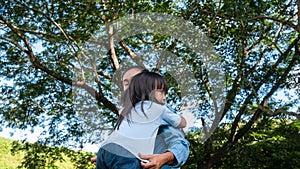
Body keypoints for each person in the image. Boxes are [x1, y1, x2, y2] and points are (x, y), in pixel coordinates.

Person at [91, 66, 190, 168]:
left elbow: (180, 144)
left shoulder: (157, 109)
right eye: (126, 83)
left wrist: (166, 157)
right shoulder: (129, 112)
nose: (131, 86)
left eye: (135, 81)